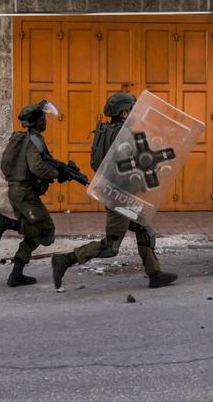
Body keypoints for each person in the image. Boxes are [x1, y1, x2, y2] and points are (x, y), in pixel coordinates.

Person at [50, 92, 178, 291]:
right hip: (120, 197)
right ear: (125, 112)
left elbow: (102, 164)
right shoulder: (124, 134)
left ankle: (155, 275)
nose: (136, 113)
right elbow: (134, 164)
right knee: (111, 247)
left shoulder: (106, 131)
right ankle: (66, 260)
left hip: (115, 192)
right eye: (132, 110)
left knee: (144, 229)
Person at [0, 101, 69, 287]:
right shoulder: (33, 141)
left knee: (33, 233)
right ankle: (7, 223)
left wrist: (62, 168)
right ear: (36, 121)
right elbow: (37, 167)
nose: (46, 121)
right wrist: (57, 174)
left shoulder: (23, 139)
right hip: (24, 193)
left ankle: (16, 273)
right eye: (43, 118)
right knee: (46, 230)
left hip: (17, 191)